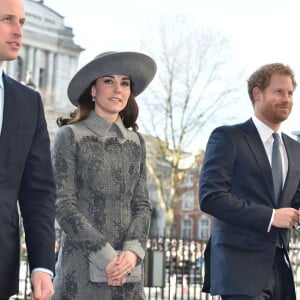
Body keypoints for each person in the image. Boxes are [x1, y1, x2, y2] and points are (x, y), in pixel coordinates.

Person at [51, 51, 156, 299]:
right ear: (93, 90)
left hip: (128, 272)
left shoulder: (136, 142)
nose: (117, 89)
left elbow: (142, 205)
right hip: (80, 271)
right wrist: (107, 258)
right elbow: (63, 205)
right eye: (108, 81)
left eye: (125, 83)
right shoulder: (69, 136)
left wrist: (131, 253)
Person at [199, 63, 300, 300]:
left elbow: (295, 202)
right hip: (239, 269)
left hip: (281, 267)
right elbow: (211, 198)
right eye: (279, 91)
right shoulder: (228, 137)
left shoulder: (295, 149)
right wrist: (272, 216)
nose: (286, 99)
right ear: (257, 93)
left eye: (290, 93)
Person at [0, 0, 56, 299]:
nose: (18, 30)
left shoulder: (28, 102)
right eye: (7, 19)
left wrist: (42, 266)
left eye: (21, 21)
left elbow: (38, 192)